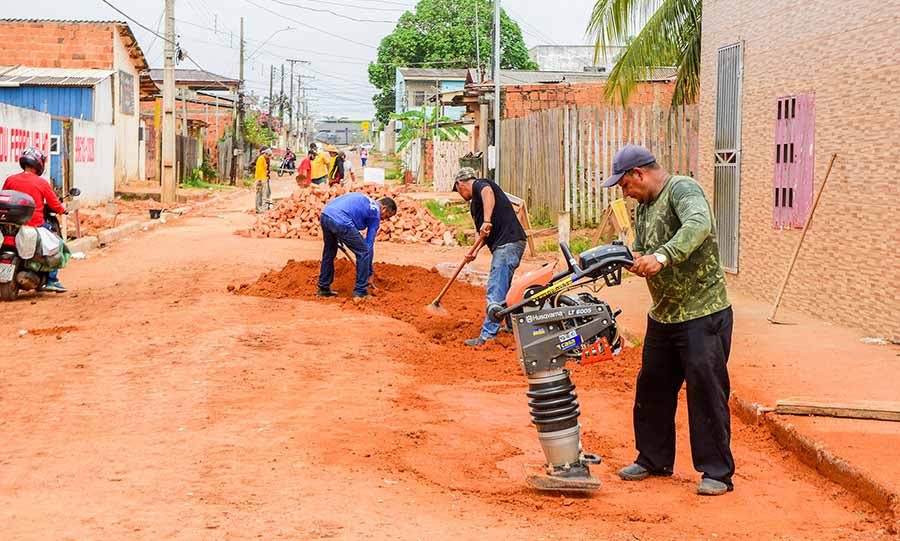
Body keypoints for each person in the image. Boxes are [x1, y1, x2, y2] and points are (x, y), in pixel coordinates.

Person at [603, 144, 734, 497]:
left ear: (639, 174)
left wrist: (664, 255)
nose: (625, 193)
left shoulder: (682, 189)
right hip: (665, 315)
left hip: (702, 313)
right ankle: (653, 459)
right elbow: (646, 250)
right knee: (653, 389)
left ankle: (717, 473)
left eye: (625, 185)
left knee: (706, 393)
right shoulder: (645, 207)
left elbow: (699, 224)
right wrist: (633, 259)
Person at [453, 167, 527, 347]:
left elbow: (488, 193)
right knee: (507, 291)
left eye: (458, 190)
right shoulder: (475, 205)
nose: (460, 194)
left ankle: (487, 336)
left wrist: (487, 220)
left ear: (460, 184)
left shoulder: (481, 185)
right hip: (510, 242)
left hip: (507, 244)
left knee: (496, 290)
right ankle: (513, 327)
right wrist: (475, 251)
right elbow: (484, 234)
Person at [2, 146, 67, 292]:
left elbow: (4, 196)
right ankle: (51, 280)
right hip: (35, 224)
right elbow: (54, 204)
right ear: (39, 164)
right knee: (56, 244)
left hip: (9, 225)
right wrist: (63, 210)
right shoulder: (41, 182)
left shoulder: (10, 179)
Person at [316, 192, 397, 300]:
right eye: (386, 216)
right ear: (384, 208)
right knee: (363, 252)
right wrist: (369, 272)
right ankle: (361, 291)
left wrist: (338, 232)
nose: (384, 219)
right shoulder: (375, 213)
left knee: (329, 252)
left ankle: (323, 288)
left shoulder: (364, 199)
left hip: (325, 215)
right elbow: (369, 245)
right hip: (341, 220)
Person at [254, 146, 272, 213]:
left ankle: (259, 209)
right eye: (269, 155)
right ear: (265, 153)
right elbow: (259, 170)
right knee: (262, 195)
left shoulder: (264, 159)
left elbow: (264, 170)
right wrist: (259, 180)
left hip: (263, 178)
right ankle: (262, 209)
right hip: (261, 179)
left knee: (261, 194)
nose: (269, 157)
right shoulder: (261, 159)